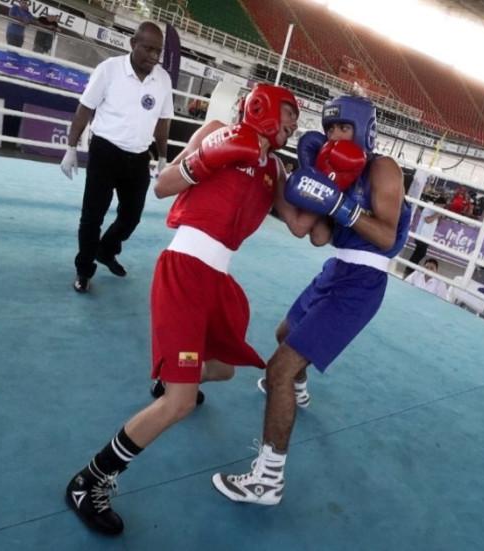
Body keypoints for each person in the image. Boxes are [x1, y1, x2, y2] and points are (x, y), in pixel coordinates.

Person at [63, 84, 306, 535]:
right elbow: (162, 186)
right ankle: (89, 480)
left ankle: (174, 377)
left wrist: (329, 190)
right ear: (264, 106)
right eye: (290, 113)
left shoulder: (275, 168)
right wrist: (208, 158)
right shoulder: (215, 131)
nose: (294, 124)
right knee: (180, 402)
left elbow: (299, 225)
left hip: (217, 281)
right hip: (184, 270)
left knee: (223, 370)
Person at [212, 95, 412, 506]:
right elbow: (319, 237)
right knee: (284, 333)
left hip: (363, 282)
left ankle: (268, 480)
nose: (336, 135)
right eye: (331, 128)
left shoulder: (382, 169)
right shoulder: (335, 168)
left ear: (364, 130)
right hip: (336, 269)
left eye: (344, 128)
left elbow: (386, 236)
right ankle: (298, 391)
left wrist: (340, 204)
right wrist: (314, 185)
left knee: (279, 370)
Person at [60, 22, 173, 293]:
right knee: (92, 217)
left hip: (139, 156)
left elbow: (163, 121)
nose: (153, 56)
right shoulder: (109, 69)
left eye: (158, 51)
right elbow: (84, 109)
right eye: (148, 49)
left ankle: (106, 249)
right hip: (105, 151)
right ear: (133, 44)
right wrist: (71, 148)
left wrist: (163, 157)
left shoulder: (163, 79)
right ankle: (84, 270)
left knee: (131, 216)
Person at [404, 197, 442, 277]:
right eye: (442, 206)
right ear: (439, 204)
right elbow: (427, 220)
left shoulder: (435, 210)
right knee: (418, 254)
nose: (442, 208)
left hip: (426, 237)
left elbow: (436, 223)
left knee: (419, 254)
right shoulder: (429, 207)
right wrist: (438, 214)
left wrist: (439, 215)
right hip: (422, 236)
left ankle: (410, 271)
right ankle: (409, 271)